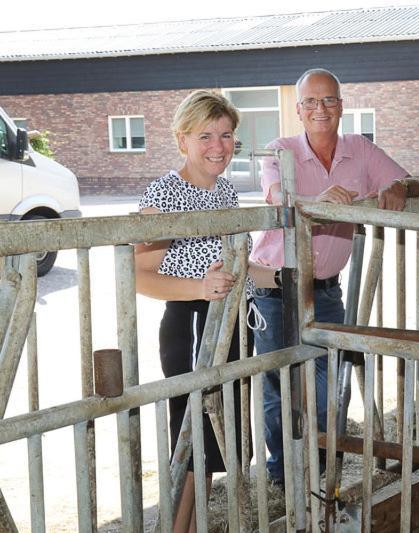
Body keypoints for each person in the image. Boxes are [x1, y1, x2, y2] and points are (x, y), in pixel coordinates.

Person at [250, 68, 419, 484]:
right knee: (280, 382)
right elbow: (277, 196)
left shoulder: (360, 150)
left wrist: (402, 187)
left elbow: (413, 181)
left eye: (328, 100)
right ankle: (282, 474)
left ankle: (323, 465)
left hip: (325, 290)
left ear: (342, 107)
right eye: (310, 101)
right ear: (298, 110)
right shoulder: (281, 149)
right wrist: (318, 201)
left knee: (331, 382)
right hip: (274, 286)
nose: (320, 109)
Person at [134, 90, 277, 532]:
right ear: (182, 140)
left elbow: (231, 266)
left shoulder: (227, 190)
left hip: (229, 322)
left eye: (226, 134)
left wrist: (279, 276)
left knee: (215, 443)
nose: (218, 145)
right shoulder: (165, 192)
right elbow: (138, 274)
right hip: (192, 322)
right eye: (205, 136)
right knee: (191, 440)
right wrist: (199, 286)